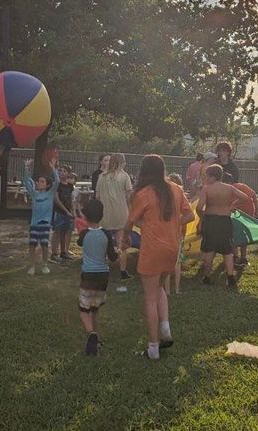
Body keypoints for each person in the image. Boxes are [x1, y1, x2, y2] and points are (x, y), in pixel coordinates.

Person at [125, 154, 194, 360]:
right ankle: (165, 328)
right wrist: (171, 223)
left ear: (144, 171)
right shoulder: (176, 189)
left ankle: (153, 347)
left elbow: (130, 222)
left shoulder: (144, 193)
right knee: (161, 287)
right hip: (172, 249)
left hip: (152, 249)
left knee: (150, 297)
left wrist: (124, 239)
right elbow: (189, 215)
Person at [77, 198, 119, 356]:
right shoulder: (107, 234)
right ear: (102, 215)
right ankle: (97, 338)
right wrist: (121, 252)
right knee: (94, 309)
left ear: (86, 216)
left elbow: (79, 242)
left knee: (83, 309)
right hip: (103, 276)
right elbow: (113, 257)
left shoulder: (84, 234)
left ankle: (91, 334)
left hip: (88, 275)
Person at [197, 164, 240, 287]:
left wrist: (202, 216)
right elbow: (245, 197)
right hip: (225, 221)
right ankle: (231, 277)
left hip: (211, 220)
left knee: (209, 249)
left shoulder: (206, 189)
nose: (205, 179)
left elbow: (199, 207)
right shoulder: (229, 188)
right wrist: (232, 206)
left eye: (206, 176)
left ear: (213, 177)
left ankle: (207, 276)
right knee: (227, 251)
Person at [95, 153, 133, 280]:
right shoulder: (124, 176)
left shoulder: (102, 176)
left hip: (105, 213)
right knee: (121, 243)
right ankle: (123, 271)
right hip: (121, 212)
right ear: (121, 162)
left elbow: (97, 197)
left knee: (104, 242)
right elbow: (129, 196)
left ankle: (101, 268)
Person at [23, 148, 60, 275]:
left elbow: (57, 182)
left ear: (47, 184)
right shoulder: (34, 194)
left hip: (45, 223)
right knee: (32, 245)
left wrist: (53, 168)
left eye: (42, 181)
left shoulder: (50, 194)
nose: (39, 183)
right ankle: (32, 266)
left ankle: (45, 265)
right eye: (38, 181)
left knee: (44, 245)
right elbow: (26, 182)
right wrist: (27, 169)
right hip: (34, 223)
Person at [227, 171, 257, 270]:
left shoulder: (239, 187)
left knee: (239, 234)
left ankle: (241, 257)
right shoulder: (226, 190)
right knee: (236, 234)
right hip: (237, 214)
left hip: (246, 213)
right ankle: (237, 257)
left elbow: (252, 194)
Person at [52, 165, 78, 263]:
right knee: (57, 232)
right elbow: (57, 200)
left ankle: (63, 252)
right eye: (60, 171)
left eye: (64, 171)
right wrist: (66, 211)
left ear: (68, 173)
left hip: (68, 212)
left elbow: (71, 199)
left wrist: (72, 210)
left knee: (64, 232)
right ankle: (54, 253)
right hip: (59, 211)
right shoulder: (57, 184)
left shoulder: (70, 185)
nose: (62, 173)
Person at [167, 173, 186, 295]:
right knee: (177, 263)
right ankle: (177, 289)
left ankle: (167, 290)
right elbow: (188, 216)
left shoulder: (164, 197)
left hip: (166, 233)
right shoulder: (181, 196)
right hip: (178, 234)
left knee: (167, 263)